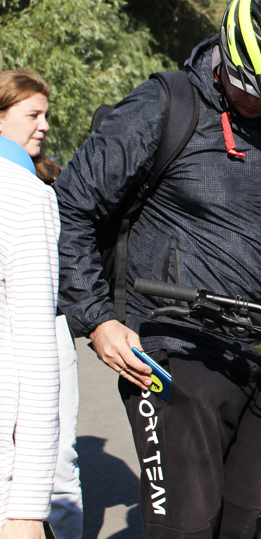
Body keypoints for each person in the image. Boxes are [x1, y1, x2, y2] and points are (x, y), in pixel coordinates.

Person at [55, 0, 261, 539]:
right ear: (224, 47)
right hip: (177, 350)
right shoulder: (162, 105)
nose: (257, 102)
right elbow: (70, 207)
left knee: (253, 526)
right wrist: (97, 320)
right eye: (245, 85)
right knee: (188, 527)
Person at [0, 70, 83, 539]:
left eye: (45, 115)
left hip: (45, 329)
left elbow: (35, 358)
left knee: (62, 463)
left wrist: (28, 510)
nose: (45, 125)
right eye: (33, 114)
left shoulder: (29, 192)